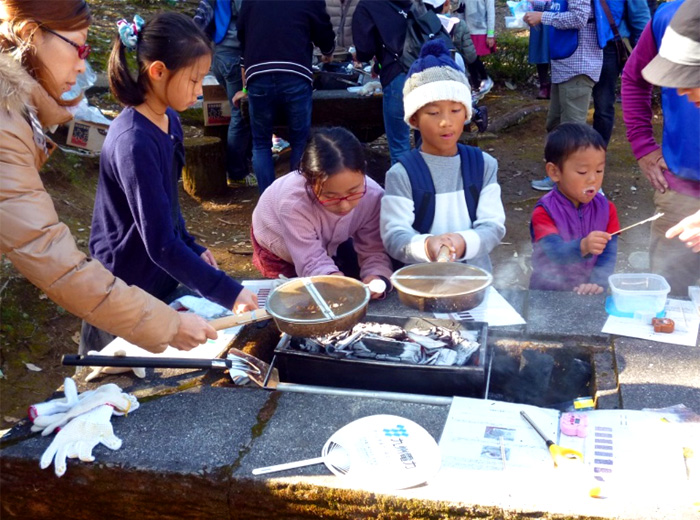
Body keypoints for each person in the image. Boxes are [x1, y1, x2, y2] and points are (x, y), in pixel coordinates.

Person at [0, 0, 217, 353]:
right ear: (30, 35)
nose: (84, 64)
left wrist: (191, 246)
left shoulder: (19, 118)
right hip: (125, 287)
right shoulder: (7, 127)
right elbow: (56, 262)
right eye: (80, 48)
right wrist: (168, 324)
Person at [82, 12, 258, 353]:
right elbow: (160, 242)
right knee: (120, 379)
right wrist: (228, 291)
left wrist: (191, 247)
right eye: (193, 81)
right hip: (122, 287)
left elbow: (167, 208)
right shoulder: (133, 141)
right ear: (158, 72)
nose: (199, 91)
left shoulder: (169, 121)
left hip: (158, 277)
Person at [380, 41, 506, 272]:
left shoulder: (483, 165)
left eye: (456, 110)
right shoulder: (402, 174)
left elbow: (493, 226)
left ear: (467, 113)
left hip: (474, 281)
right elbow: (394, 235)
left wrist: (461, 242)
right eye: (434, 112)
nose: (446, 121)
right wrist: (428, 246)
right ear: (414, 119)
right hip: (422, 283)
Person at [251, 127, 393, 297]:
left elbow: (374, 250)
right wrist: (333, 280)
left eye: (353, 192)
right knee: (292, 297)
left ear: (363, 170)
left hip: (328, 238)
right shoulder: (293, 203)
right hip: (277, 241)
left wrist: (377, 277)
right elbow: (310, 260)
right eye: (330, 196)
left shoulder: (373, 195)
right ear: (309, 180)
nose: (345, 206)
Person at [623, 0, 700, 293]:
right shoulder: (671, 15)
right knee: (667, 302)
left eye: (688, 76)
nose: (679, 90)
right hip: (680, 191)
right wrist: (643, 145)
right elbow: (634, 76)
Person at [234, 0, 335, 194]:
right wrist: (327, 51)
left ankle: (267, 199)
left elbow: (242, 32)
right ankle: (295, 196)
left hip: (258, 73)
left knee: (261, 142)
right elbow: (323, 27)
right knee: (299, 141)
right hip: (295, 72)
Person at [529, 123, 620, 294]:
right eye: (582, 172)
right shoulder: (544, 211)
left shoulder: (607, 209)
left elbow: (608, 254)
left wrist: (597, 283)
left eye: (599, 170)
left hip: (588, 293)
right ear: (554, 172)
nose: (592, 179)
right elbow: (554, 252)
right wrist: (583, 246)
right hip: (547, 293)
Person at [524, 0, 603, 192]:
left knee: (572, 131)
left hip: (578, 67)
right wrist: (541, 6)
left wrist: (543, 17)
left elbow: (579, 17)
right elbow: (561, 8)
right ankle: (560, 177)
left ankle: (579, 185)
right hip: (563, 67)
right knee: (556, 124)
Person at [193, 0, 255, 188]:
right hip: (235, 55)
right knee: (240, 113)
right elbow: (247, 14)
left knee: (240, 110)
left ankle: (244, 161)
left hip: (219, 52)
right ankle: (237, 173)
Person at [352, 0, 412, 165]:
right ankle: (428, 188)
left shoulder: (367, 6)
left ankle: (404, 190)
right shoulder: (411, 3)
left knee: (400, 147)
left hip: (397, 75)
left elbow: (365, 50)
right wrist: (378, 66)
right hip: (429, 74)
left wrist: (361, 56)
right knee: (428, 145)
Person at [591, 0, 649, 146]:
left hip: (609, 47)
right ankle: (569, 155)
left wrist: (643, 53)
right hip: (578, 48)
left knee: (603, 105)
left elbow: (640, 18)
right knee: (573, 105)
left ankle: (597, 153)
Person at [462, 0, 495, 95]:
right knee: (470, 60)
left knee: (473, 58)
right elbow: (461, 10)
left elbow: (491, 13)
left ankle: (484, 80)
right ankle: (476, 85)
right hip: (467, 30)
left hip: (481, 31)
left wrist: (490, 34)